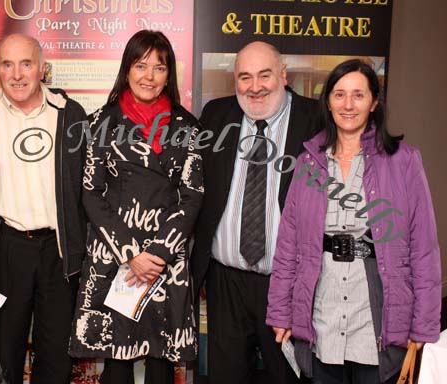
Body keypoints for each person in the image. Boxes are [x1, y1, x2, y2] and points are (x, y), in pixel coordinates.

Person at [266, 59, 442, 383]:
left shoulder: (405, 162)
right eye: (339, 95)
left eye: (358, 95)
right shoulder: (307, 163)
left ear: (374, 102)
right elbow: (287, 245)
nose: (348, 105)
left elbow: (424, 250)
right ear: (329, 102)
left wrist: (424, 323)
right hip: (321, 313)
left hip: (378, 314)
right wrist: (279, 311)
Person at [68, 30, 204, 384]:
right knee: (118, 357)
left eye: (159, 68)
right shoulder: (100, 122)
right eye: (140, 66)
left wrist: (156, 253)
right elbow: (91, 194)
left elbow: (192, 195)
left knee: (161, 357)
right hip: (117, 258)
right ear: (126, 69)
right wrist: (132, 254)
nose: (149, 76)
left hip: (165, 259)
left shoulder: (187, 126)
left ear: (168, 74)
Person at [0, 33, 87, 384]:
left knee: (57, 353)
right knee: (4, 352)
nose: (17, 74)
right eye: (8, 64)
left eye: (26, 64)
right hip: (6, 250)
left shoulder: (71, 114)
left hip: (59, 251)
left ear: (42, 69)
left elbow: (86, 190)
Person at [190, 41, 319, 383]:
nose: (255, 87)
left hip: (286, 283)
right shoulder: (216, 116)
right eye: (244, 77)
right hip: (225, 280)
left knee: (288, 376)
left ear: (284, 75)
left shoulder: (317, 119)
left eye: (265, 75)